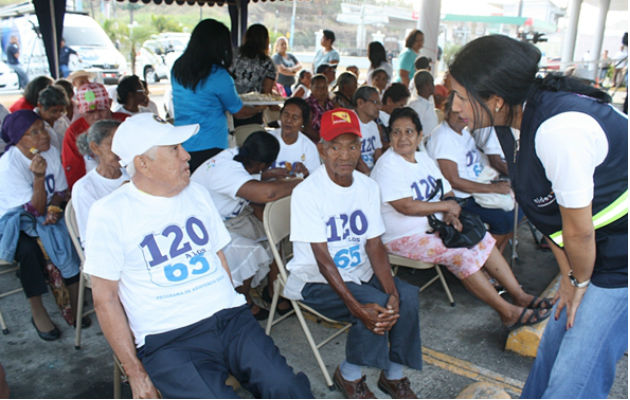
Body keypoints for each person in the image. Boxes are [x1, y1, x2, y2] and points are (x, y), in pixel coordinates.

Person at [83, 113, 312, 398]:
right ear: (142, 163)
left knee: (287, 388)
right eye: (174, 149)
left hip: (230, 320)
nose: (186, 155)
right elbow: (104, 299)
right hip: (170, 339)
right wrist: (135, 371)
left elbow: (219, 258)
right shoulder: (109, 213)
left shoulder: (197, 194)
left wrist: (229, 303)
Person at [449, 34, 627, 399]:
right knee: (552, 346)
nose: (453, 106)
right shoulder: (511, 123)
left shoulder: (558, 131)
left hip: (620, 257)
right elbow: (551, 219)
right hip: (596, 249)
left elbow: (578, 234)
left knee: (573, 378)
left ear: (495, 100)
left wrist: (578, 282)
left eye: (461, 96)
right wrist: (568, 277)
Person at [371, 107, 551, 333]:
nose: (403, 138)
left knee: (481, 237)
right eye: (396, 133)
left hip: (436, 226)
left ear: (419, 135)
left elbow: (446, 190)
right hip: (403, 236)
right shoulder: (388, 165)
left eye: (409, 132)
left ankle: (520, 295)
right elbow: (406, 206)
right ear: (390, 137)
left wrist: (451, 212)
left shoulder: (422, 157)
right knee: (462, 253)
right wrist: (446, 206)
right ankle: (507, 313)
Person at [285, 108, 420, 399]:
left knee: (405, 296)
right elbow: (322, 260)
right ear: (322, 150)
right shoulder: (307, 192)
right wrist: (358, 307)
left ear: (361, 147)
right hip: (315, 282)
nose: (344, 156)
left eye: (351, 146)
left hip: (359, 273)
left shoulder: (368, 187)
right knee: (373, 304)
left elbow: (374, 245)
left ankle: (393, 375)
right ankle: (350, 375)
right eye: (335, 147)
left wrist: (392, 290)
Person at [191, 131, 302, 319]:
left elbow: (251, 179)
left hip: (229, 218)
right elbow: (267, 194)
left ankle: (273, 290)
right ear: (261, 164)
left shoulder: (240, 156)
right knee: (250, 250)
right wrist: (299, 183)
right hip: (205, 229)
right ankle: (243, 299)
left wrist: (269, 174)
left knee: (273, 232)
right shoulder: (227, 170)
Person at [0, 110, 85, 341]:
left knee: (70, 235)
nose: (44, 136)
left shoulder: (51, 152)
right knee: (28, 251)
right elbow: (32, 210)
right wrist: (38, 177)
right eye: (34, 133)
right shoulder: (9, 166)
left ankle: (75, 302)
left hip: (44, 212)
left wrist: (55, 208)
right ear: (19, 139)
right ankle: (38, 310)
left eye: (43, 129)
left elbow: (59, 191)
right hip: (14, 219)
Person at [427, 98, 518, 252]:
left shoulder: (463, 131)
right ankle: (484, 263)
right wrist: (493, 189)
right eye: (456, 112)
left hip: (477, 188)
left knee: (520, 205)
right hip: (461, 198)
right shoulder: (443, 137)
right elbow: (454, 181)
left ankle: (497, 255)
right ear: (447, 111)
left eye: (465, 111)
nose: (461, 116)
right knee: (505, 218)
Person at [171, 19, 262, 171]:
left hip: (180, 143)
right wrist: (260, 109)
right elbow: (238, 111)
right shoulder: (219, 75)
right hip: (211, 146)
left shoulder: (178, 68)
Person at [61, 82, 128, 190]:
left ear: (110, 103)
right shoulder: (74, 132)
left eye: (101, 110)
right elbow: (74, 170)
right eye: (90, 112)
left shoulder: (126, 122)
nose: (97, 116)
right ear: (79, 109)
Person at [71, 120, 126, 246]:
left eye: (123, 142)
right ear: (95, 148)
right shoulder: (85, 188)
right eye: (112, 144)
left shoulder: (133, 174)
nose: (120, 149)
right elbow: (91, 237)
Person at [231, 24, 276, 127]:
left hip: (229, 108)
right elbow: (266, 93)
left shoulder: (233, 55)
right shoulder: (267, 63)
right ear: (265, 41)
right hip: (252, 112)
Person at [269, 97, 320, 175]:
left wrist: (305, 173)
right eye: (286, 114)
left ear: (303, 122)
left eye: (295, 118)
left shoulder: (309, 148)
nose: (289, 120)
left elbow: (314, 179)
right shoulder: (268, 139)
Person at [353, 86, 383, 173]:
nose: (379, 107)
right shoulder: (349, 122)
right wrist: (369, 176)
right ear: (360, 103)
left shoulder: (373, 125)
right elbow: (357, 161)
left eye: (379, 103)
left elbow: (378, 155)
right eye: (375, 102)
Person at [35, 85, 70, 151]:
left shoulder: (63, 120)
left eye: (61, 111)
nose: (58, 115)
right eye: (54, 111)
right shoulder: (30, 124)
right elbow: (28, 150)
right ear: (40, 106)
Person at [408, 71, 438, 141]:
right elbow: (413, 129)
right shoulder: (416, 105)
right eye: (432, 83)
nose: (434, 86)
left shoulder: (427, 102)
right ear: (426, 85)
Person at [305, 74, 334, 143]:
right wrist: (324, 140)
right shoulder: (307, 105)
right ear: (311, 87)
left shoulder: (331, 104)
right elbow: (307, 129)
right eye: (318, 87)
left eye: (325, 87)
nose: (322, 91)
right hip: (313, 143)